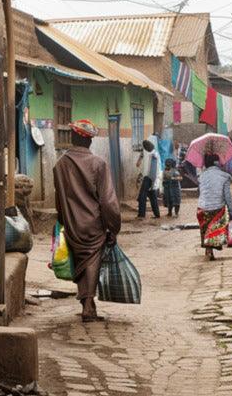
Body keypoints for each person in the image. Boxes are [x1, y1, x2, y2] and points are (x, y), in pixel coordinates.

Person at [53, 119, 122, 322]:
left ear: (72, 139)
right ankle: (89, 305)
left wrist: (62, 220)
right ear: (89, 142)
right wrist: (113, 227)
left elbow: (59, 199)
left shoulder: (60, 165)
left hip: (71, 223)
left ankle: (85, 302)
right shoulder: (98, 164)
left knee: (81, 261)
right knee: (91, 261)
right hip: (94, 224)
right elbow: (108, 201)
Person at [196, 152, 232, 260]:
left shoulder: (201, 176)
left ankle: (208, 249)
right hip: (217, 209)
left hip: (202, 208)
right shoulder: (224, 176)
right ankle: (210, 249)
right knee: (214, 229)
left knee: (205, 228)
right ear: (217, 163)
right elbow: (227, 197)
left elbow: (200, 192)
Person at [135, 138, 162, 220]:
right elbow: (138, 163)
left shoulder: (152, 155)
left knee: (142, 196)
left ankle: (141, 214)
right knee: (152, 196)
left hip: (149, 178)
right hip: (152, 178)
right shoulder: (154, 153)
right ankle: (157, 214)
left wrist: (152, 180)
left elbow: (151, 169)